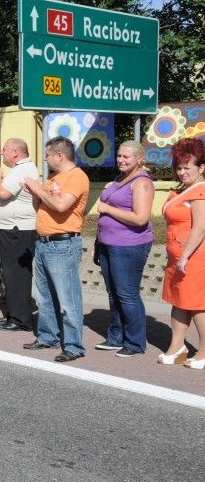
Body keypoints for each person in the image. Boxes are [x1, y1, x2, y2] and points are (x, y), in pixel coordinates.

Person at [22, 137, 90, 363]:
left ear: (60, 155)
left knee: (68, 298)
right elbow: (40, 206)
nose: (45, 158)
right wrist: (35, 193)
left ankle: (73, 345)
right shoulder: (53, 177)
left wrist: (38, 189)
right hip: (43, 242)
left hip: (63, 244)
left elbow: (61, 206)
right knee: (45, 296)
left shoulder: (76, 176)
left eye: (48, 154)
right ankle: (47, 336)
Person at [92, 141, 154, 358]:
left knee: (127, 295)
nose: (121, 160)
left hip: (130, 246)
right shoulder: (119, 180)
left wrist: (108, 208)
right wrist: (97, 243)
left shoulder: (141, 183)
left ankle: (135, 342)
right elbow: (104, 217)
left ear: (140, 159)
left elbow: (140, 218)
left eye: (127, 157)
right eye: (119, 156)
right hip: (108, 244)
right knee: (113, 294)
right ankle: (116, 337)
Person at [159, 137, 205, 369]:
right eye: (179, 167)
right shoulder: (183, 191)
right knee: (179, 301)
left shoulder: (200, 191)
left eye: (188, 167)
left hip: (194, 257)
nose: (182, 172)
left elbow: (200, 227)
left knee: (197, 304)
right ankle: (177, 346)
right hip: (177, 256)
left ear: (201, 168)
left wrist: (185, 255)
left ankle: (204, 351)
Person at [0, 139, 39, 333]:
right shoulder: (19, 169)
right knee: (10, 273)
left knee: (16, 274)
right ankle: (15, 314)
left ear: (16, 152)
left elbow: (3, 193)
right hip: (10, 228)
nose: (2, 153)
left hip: (18, 229)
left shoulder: (23, 170)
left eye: (5, 150)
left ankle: (20, 319)